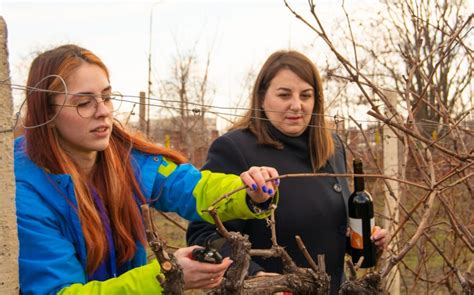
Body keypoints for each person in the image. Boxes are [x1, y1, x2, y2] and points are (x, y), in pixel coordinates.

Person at [14, 44, 280, 295]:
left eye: (106, 97)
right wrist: (166, 277)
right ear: (45, 114)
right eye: (84, 103)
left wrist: (246, 192)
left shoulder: (126, 159)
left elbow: (192, 188)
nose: (103, 111)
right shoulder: (24, 192)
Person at [186, 50, 387, 294]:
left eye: (306, 95)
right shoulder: (235, 148)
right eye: (284, 95)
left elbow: (323, 229)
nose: (297, 105)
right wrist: (257, 278)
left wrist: (362, 243)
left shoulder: (330, 148)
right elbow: (203, 234)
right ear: (261, 98)